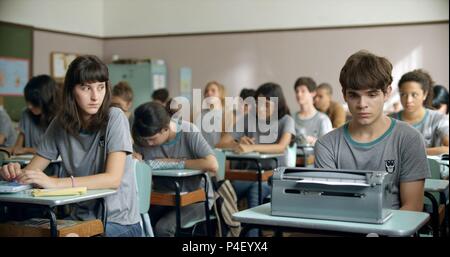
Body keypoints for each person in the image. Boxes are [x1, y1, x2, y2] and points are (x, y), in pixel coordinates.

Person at [0, 55, 142, 236]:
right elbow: (33, 171)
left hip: (118, 221)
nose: (95, 96)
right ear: (71, 91)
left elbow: (112, 179)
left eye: (101, 87)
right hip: (79, 218)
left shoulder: (115, 117)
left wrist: (55, 183)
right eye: (85, 88)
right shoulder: (60, 123)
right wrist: (12, 173)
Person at [314, 50, 430, 211]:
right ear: (344, 95)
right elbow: (330, 206)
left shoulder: (409, 139)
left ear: (387, 93)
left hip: (393, 229)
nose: (362, 104)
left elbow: (412, 206)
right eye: (354, 95)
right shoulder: (326, 145)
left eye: (372, 94)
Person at [219, 82, 296, 236]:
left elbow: (281, 146)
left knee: (256, 189)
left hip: (273, 177)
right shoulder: (249, 118)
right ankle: (233, 230)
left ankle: (249, 235)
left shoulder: (286, 120)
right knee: (220, 190)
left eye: (266, 105)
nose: (261, 108)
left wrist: (253, 147)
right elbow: (221, 142)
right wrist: (237, 142)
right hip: (249, 176)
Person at [132, 102, 218, 237]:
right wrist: (135, 159)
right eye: (145, 140)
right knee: (135, 225)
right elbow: (138, 162)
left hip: (195, 199)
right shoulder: (143, 137)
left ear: (166, 129)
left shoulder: (188, 132)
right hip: (162, 197)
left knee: (162, 228)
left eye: (152, 139)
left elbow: (212, 164)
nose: (148, 144)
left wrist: (174, 163)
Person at [391, 69, 449, 156]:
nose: (408, 100)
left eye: (414, 95)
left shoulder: (439, 119)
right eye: (403, 94)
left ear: (424, 94)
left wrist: (415, 152)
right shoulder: (389, 120)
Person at [8, 75, 59, 155]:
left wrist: (27, 150)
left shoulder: (59, 117)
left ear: (46, 100)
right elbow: (17, 148)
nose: (29, 106)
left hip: (53, 165)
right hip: (27, 163)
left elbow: (56, 150)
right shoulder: (26, 114)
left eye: (34, 102)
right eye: (28, 101)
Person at [293, 77, 332, 146]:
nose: (299, 94)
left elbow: (328, 146)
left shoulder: (323, 119)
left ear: (313, 93)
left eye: (303, 91)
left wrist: (313, 141)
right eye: (297, 91)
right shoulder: (291, 118)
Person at [195, 81, 232, 148]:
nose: (209, 93)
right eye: (206, 91)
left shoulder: (227, 115)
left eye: (213, 90)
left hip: (221, 152)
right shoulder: (200, 115)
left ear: (220, 94)